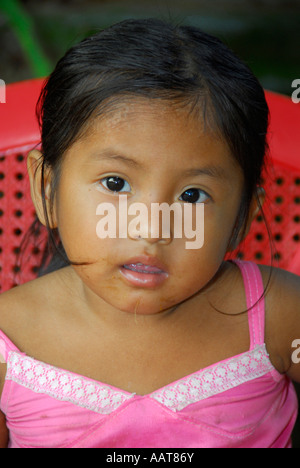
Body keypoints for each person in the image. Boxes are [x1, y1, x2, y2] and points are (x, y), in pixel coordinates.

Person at [0, 18, 299, 449]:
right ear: (47, 189)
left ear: (242, 217)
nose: (151, 228)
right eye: (116, 184)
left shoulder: (277, 315)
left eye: (193, 195)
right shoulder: (11, 341)